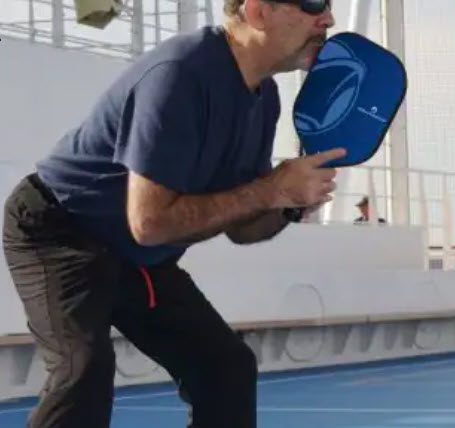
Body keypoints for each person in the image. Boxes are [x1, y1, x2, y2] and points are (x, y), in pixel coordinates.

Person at [1, 1, 341, 427]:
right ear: (257, 11)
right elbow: (150, 223)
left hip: (138, 253)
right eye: (313, 5)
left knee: (225, 368)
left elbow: (243, 229)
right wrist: (270, 189)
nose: (327, 19)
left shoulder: (263, 99)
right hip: (58, 230)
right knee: (81, 372)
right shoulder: (180, 74)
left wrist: (287, 203)